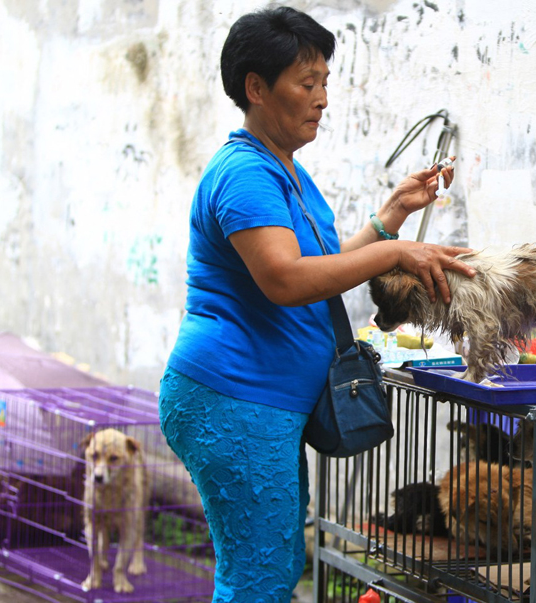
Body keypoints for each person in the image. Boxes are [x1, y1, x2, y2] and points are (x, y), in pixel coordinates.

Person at [158, 6, 474, 602]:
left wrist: (390, 218)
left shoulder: (284, 171)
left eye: (325, 82)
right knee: (259, 575)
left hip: (262, 403)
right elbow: (284, 280)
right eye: (307, 83)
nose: (323, 98)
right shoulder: (245, 174)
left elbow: (322, 269)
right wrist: (395, 255)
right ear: (257, 87)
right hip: (233, 398)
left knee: (271, 566)